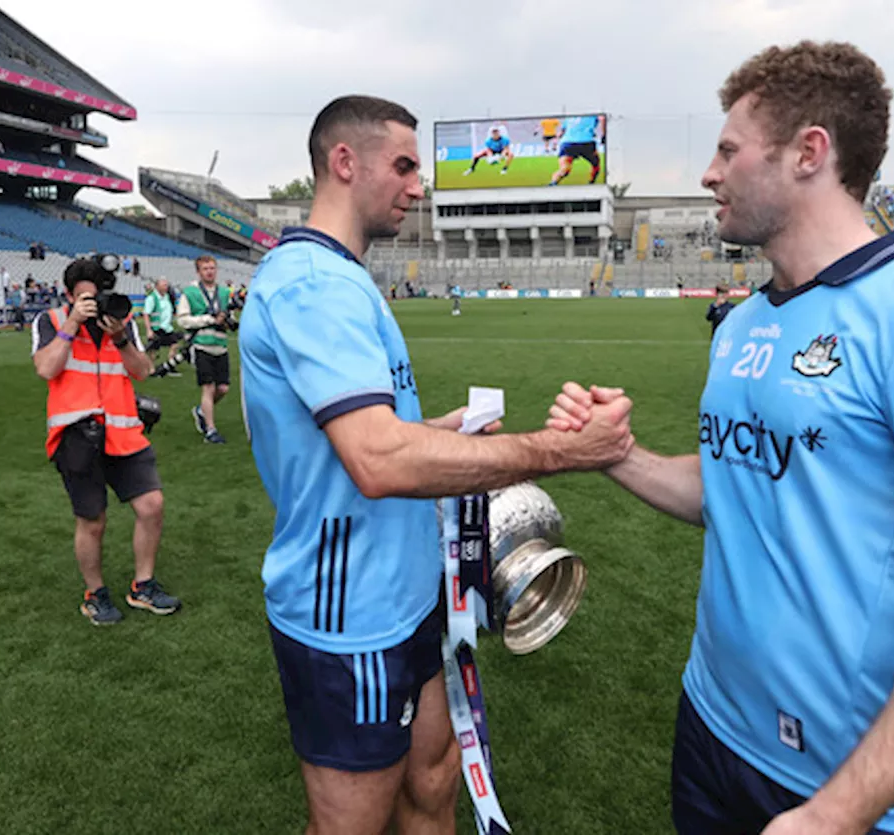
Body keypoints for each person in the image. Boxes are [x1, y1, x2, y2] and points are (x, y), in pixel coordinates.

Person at [548, 41, 894, 835]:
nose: (710, 174)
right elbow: (736, 491)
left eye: (728, 151)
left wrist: (837, 812)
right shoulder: (744, 322)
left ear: (810, 152)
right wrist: (621, 454)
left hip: (867, 791)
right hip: (715, 727)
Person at [238, 94, 634, 835]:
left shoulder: (344, 277)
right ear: (344, 162)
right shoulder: (310, 284)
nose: (419, 185)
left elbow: (370, 434)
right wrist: (556, 453)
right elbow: (378, 461)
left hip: (412, 594)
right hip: (349, 613)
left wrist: (439, 431)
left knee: (435, 783)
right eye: (405, 165)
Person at [30, 258, 180, 625]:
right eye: (86, 298)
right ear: (69, 295)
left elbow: (143, 370)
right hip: (76, 433)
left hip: (124, 429)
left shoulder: (121, 321)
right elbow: (46, 369)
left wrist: (120, 337)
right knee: (92, 520)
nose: (95, 305)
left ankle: (142, 586)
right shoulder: (50, 320)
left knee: (151, 505)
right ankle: (94, 593)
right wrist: (72, 324)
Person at [176, 255, 233, 444]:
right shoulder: (190, 293)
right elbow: (182, 320)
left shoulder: (224, 292)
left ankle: (201, 411)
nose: (210, 271)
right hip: (201, 344)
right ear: (198, 272)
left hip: (221, 345)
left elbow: (227, 316)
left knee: (223, 388)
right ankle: (211, 430)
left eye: (212, 268)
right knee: (208, 387)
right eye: (205, 268)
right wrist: (208, 319)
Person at [142, 277, 184, 374]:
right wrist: (149, 330)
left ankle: (169, 366)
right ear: (157, 286)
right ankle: (151, 369)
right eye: (164, 285)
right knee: (153, 349)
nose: (166, 287)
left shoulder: (167, 297)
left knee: (174, 344)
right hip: (156, 328)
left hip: (167, 328)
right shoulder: (152, 298)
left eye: (167, 285)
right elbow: (146, 314)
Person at [548, 114, 604, 186]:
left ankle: (553, 183)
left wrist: (555, 142)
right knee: (595, 165)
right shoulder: (593, 112)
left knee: (564, 169)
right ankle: (591, 183)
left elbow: (562, 132)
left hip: (567, 143)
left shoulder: (569, 116)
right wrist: (603, 135)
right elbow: (602, 118)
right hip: (586, 142)